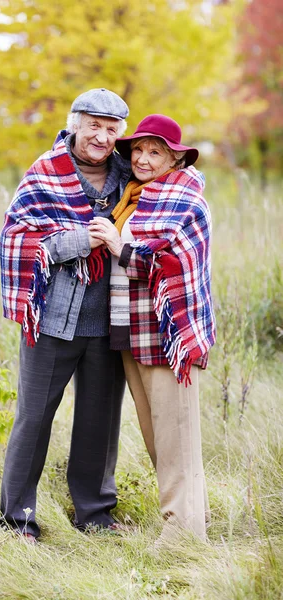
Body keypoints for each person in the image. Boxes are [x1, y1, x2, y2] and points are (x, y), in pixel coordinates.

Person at [0, 88, 131, 543]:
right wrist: (83, 240)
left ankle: (94, 514)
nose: (101, 136)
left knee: (100, 422)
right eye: (93, 124)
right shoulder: (44, 173)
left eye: (112, 129)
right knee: (34, 419)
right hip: (53, 318)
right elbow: (18, 242)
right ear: (75, 123)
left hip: (110, 320)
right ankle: (18, 520)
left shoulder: (132, 176)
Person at [88, 114, 216, 546]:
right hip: (131, 327)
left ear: (175, 158)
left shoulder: (184, 197)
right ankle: (190, 521)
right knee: (157, 433)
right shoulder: (136, 195)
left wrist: (117, 244)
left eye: (154, 151)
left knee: (177, 435)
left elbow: (167, 262)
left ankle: (181, 533)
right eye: (138, 150)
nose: (142, 158)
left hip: (168, 330)